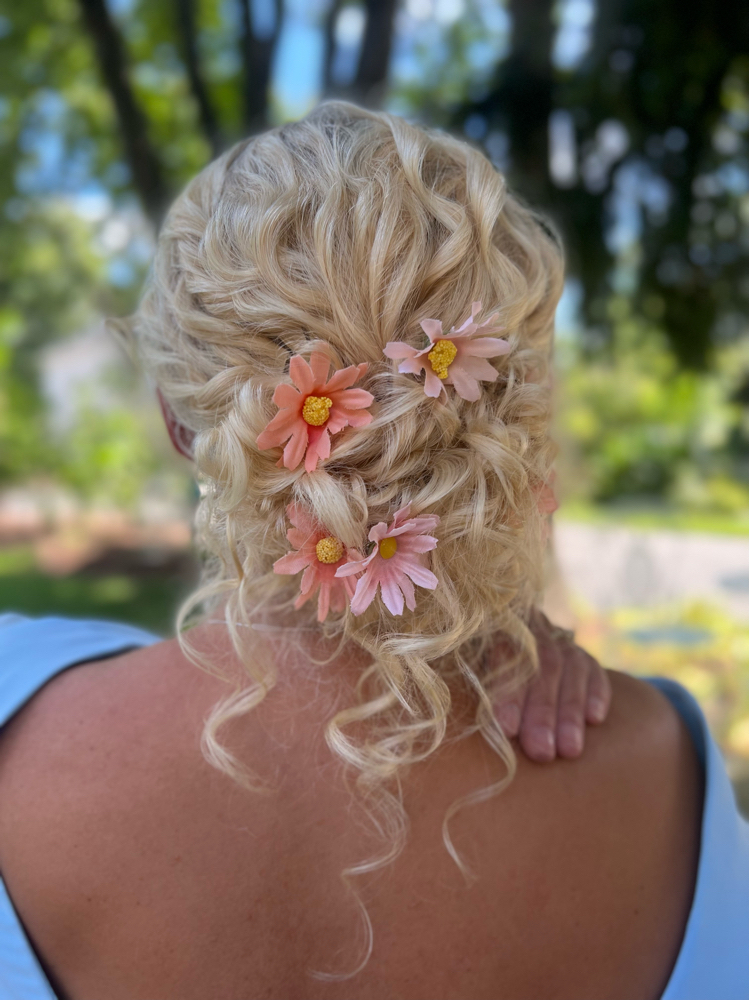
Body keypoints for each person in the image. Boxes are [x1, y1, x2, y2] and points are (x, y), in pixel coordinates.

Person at [0, 102, 746, 1000]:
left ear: (181, 423)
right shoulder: (664, 769)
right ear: (504, 404)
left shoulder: (21, 720)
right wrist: (482, 607)